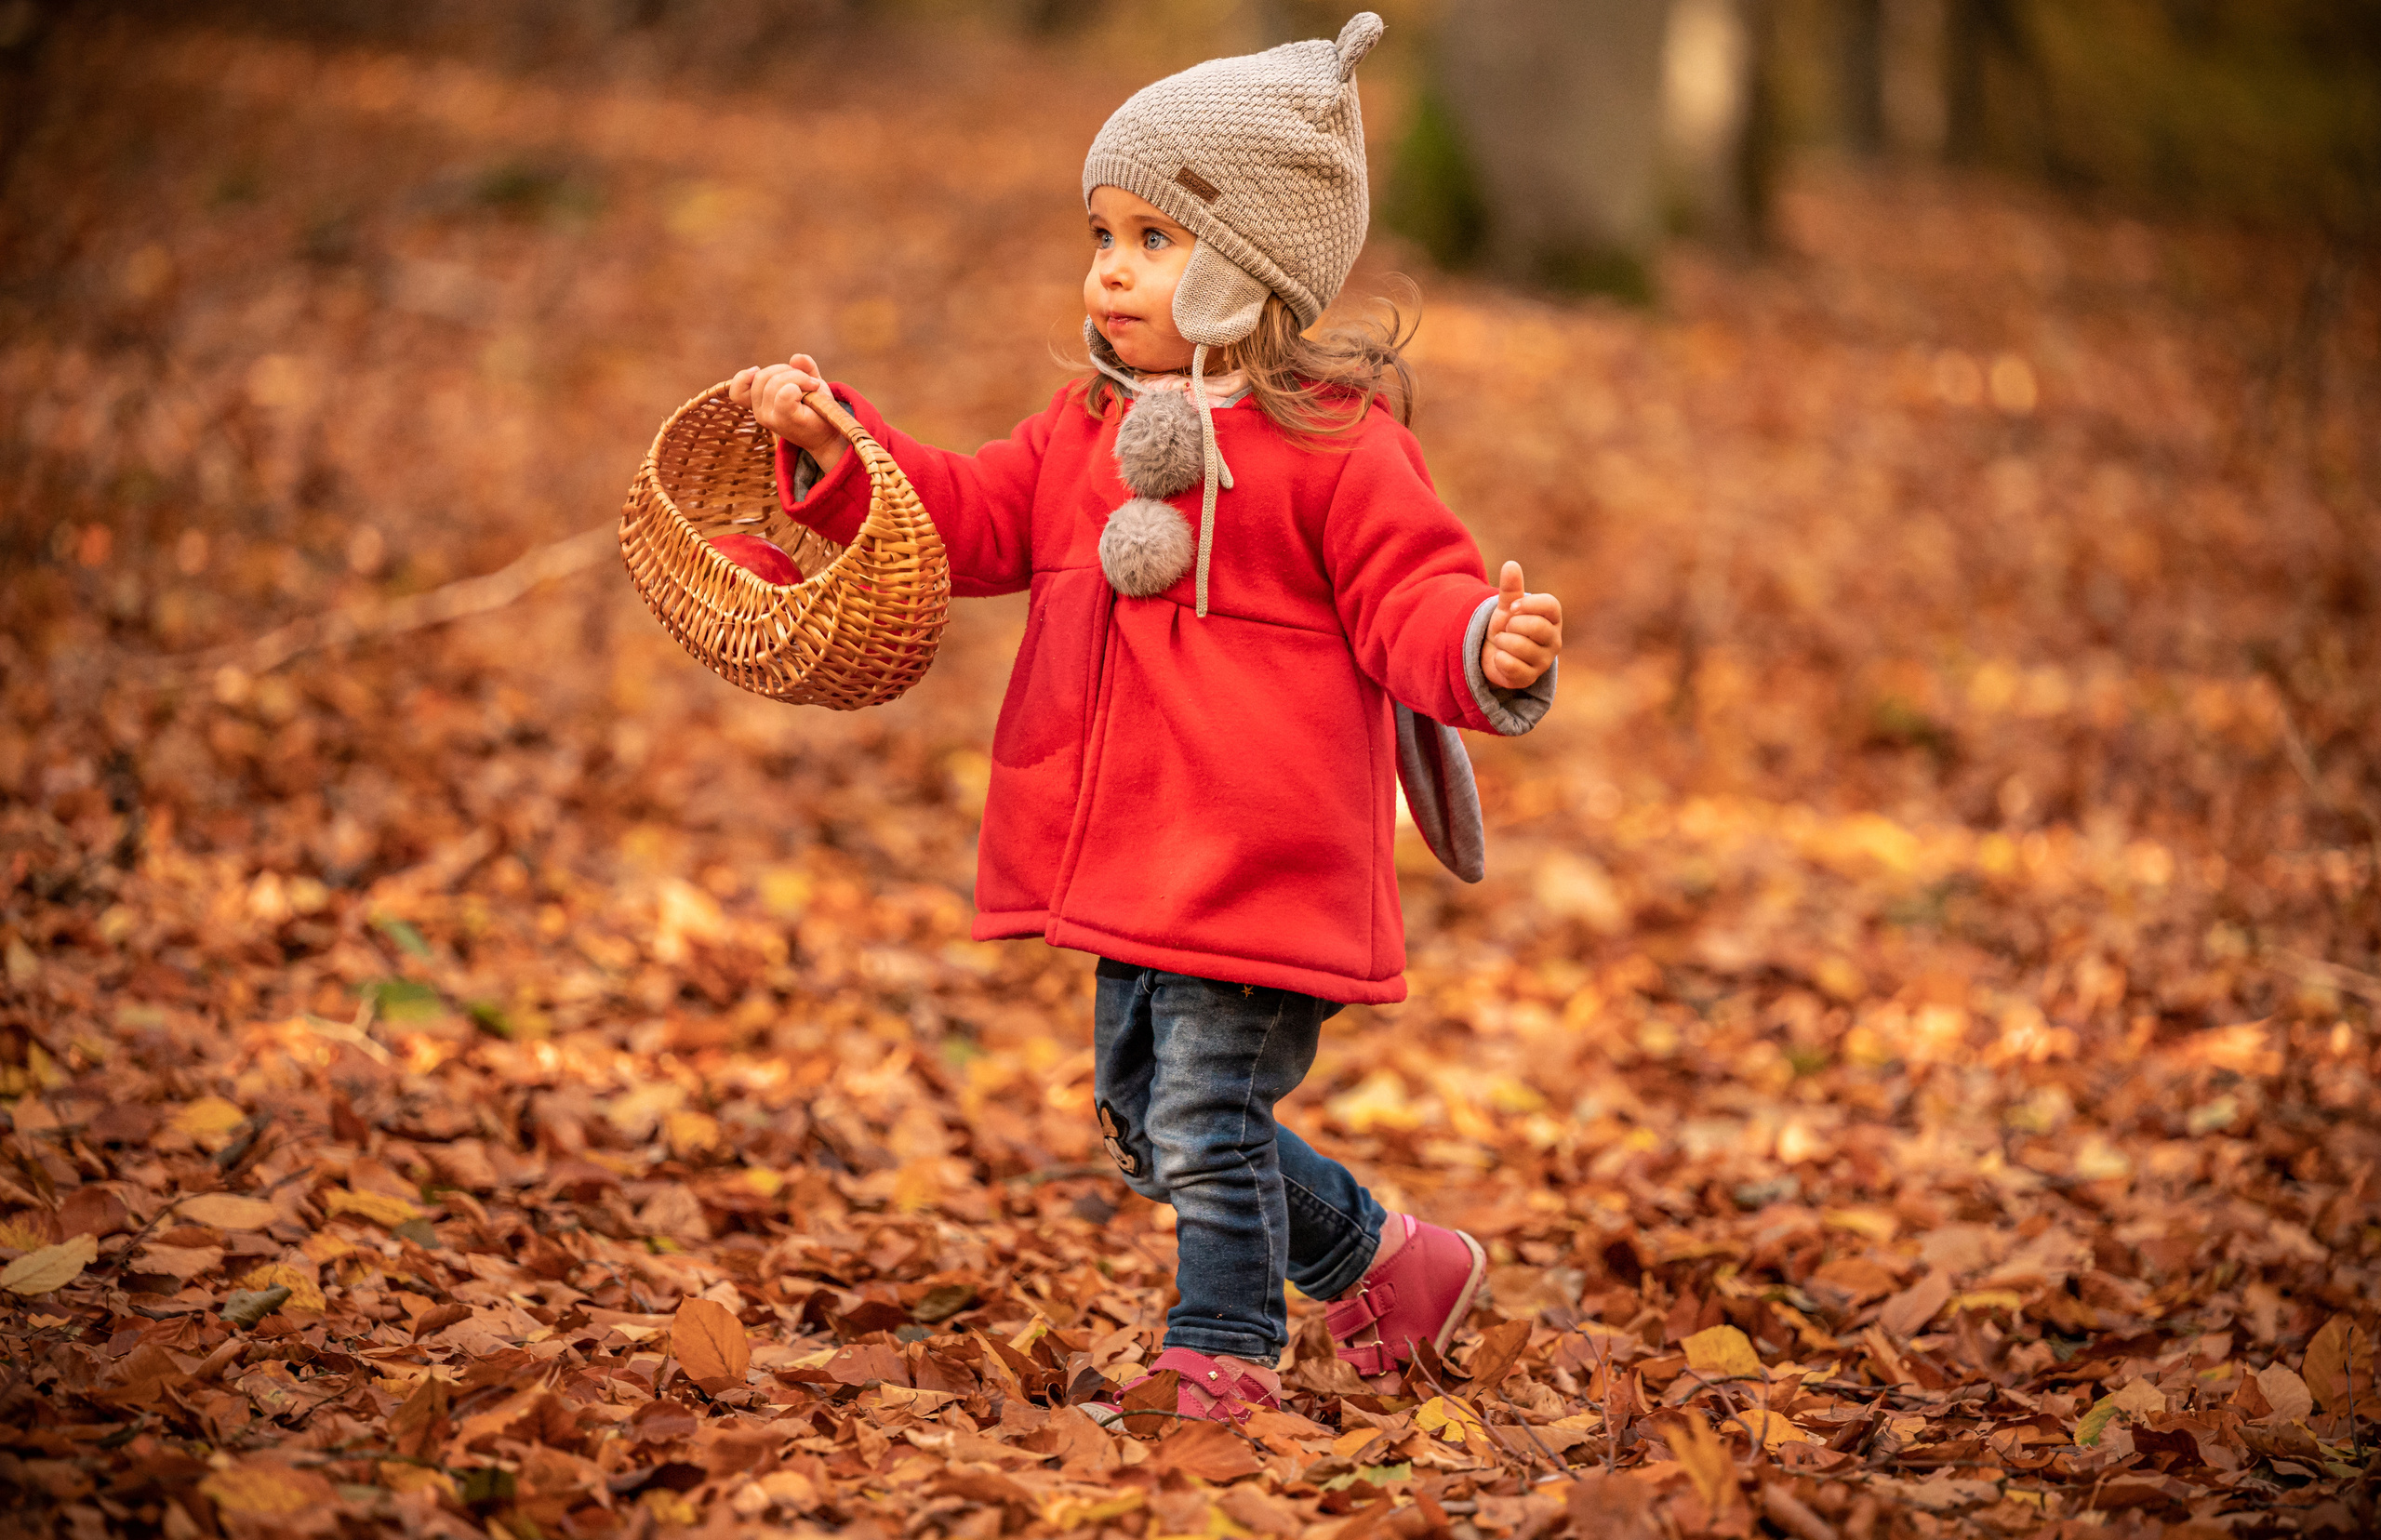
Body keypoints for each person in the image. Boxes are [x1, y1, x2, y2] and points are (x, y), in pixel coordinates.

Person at [729, 11, 1562, 1424]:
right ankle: (1389, 1263)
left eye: (1154, 239)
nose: (1109, 268)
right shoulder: (1083, 433)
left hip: (1256, 854)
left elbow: (1413, 594)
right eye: (1101, 234)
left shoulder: (1334, 446)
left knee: (1204, 1116)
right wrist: (838, 447)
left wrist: (1489, 642)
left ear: (1246, 264)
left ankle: (1219, 1352)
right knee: (1141, 1123)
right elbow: (969, 520)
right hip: (1127, 851)